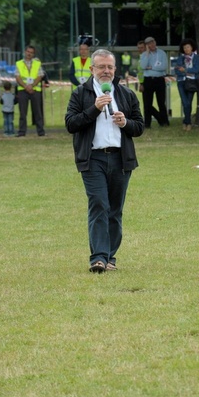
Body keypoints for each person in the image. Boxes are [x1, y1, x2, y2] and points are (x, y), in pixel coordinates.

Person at [65, 49, 144, 273]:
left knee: (115, 210)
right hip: (93, 158)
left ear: (115, 69)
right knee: (99, 204)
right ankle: (98, 258)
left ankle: (110, 256)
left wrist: (125, 122)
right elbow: (71, 124)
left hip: (121, 158)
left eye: (109, 67)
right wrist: (95, 109)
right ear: (92, 69)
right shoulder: (81, 94)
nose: (106, 71)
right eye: (101, 67)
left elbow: (139, 127)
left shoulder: (126, 94)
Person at [15, 45, 45, 137]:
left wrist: (32, 86)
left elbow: (40, 76)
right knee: (23, 112)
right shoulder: (19, 63)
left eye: (31, 52)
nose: (29, 54)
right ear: (25, 52)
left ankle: (41, 132)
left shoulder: (37, 63)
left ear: (33, 54)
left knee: (37, 112)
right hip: (22, 90)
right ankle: (22, 132)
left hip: (35, 90)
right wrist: (26, 86)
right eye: (28, 51)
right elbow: (17, 77)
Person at [139, 36, 170, 128]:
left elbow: (163, 67)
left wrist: (151, 67)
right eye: (148, 43)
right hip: (148, 80)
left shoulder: (162, 53)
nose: (151, 45)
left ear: (155, 42)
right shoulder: (144, 54)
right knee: (147, 103)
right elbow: (143, 66)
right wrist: (148, 54)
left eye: (152, 42)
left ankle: (164, 122)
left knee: (161, 102)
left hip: (159, 79)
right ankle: (147, 124)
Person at [175, 38, 199, 131]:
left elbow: (196, 70)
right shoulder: (180, 57)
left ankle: (186, 122)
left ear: (192, 47)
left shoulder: (196, 57)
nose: (186, 49)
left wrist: (185, 70)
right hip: (181, 82)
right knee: (185, 103)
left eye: (188, 47)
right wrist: (185, 72)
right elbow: (177, 70)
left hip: (192, 83)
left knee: (188, 103)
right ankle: (188, 122)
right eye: (184, 48)